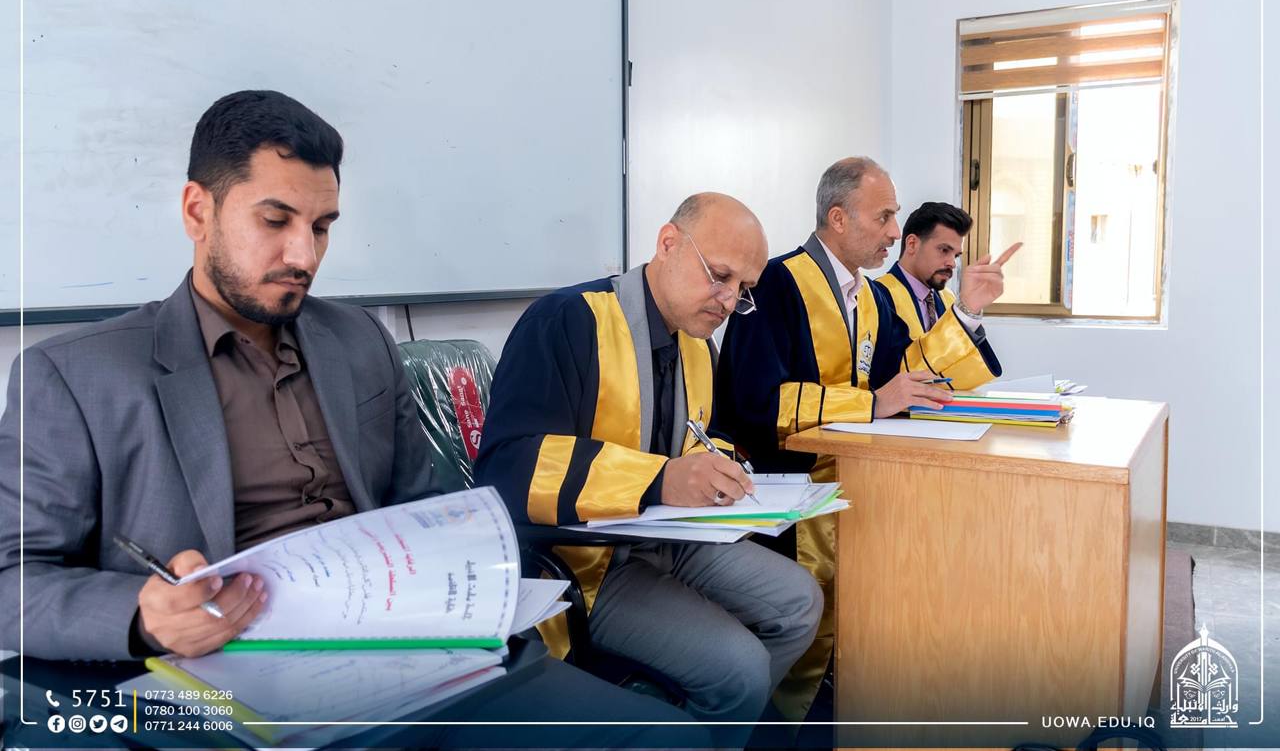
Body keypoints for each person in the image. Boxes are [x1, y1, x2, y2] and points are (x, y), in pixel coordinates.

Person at [0, 89, 703, 747]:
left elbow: (423, 505)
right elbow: (10, 579)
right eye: (275, 221)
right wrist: (141, 613)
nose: (303, 255)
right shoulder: (76, 377)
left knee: (668, 739)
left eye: (322, 227)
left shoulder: (358, 340)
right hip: (227, 686)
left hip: (400, 651)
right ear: (196, 211)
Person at [475, 193, 823, 738]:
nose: (729, 300)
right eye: (720, 276)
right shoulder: (568, 321)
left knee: (801, 601)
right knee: (741, 668)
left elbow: (704, 435)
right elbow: (509, 467)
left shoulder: (697, 344)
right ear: (667, 244)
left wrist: (721, 468)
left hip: (671, 538)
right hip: (588, 560)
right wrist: (660, 480)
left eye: (744, 289)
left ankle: (701, 731)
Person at [716, 156, 1019, 718]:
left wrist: (968, 311)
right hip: (785, 496)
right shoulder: (776, 284)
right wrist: (871, 403)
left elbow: (909, 376)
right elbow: (758, 402)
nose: (894, 232)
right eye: (884, 217)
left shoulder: (872, 297)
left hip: (856, 482)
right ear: (838, 218)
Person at [877, 201, 974, 337]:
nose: (952, 263)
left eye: (956, 256)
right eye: (944, 250)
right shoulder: (878, 297)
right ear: (912, 244)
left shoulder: (949, 299)